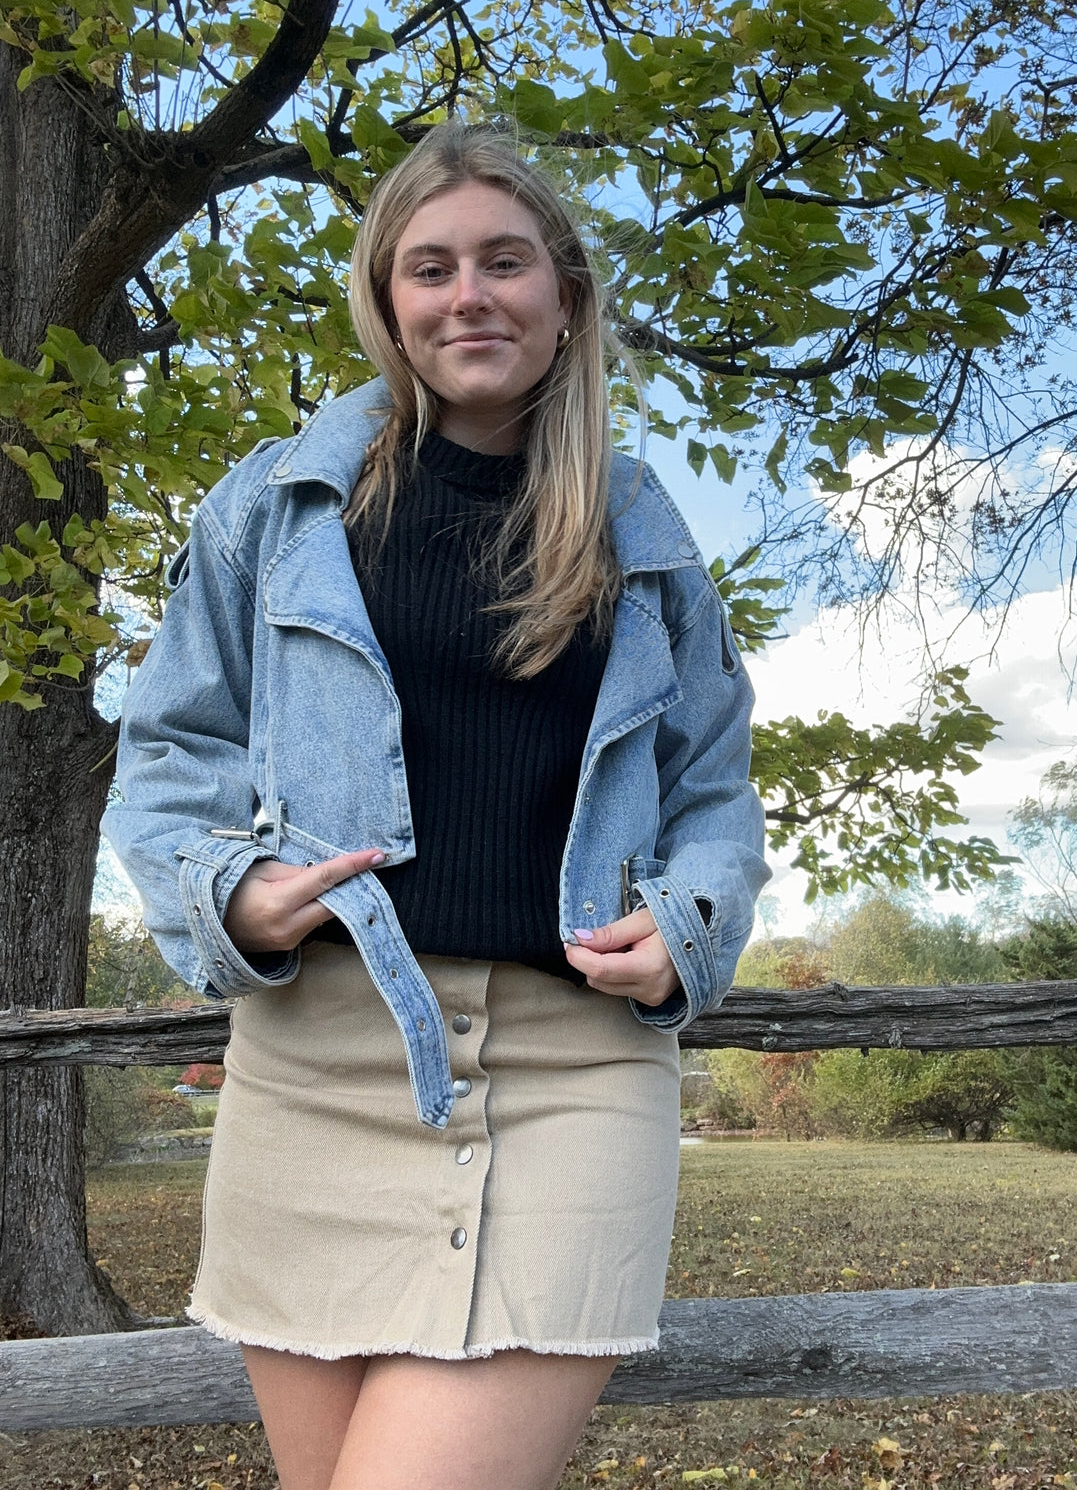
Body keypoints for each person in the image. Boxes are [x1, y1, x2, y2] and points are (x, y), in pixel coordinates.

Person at [102, 121, 769, 1490]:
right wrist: (223, 889)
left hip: (576, 1073)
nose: (470, 294)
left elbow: (713, 782)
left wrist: (690, 922)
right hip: (316, 1068)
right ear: (388, 301)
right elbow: (170, 745)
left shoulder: (643, 535)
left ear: (566, 296)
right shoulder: (278, 506)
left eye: (506, 261)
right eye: (432, 267)